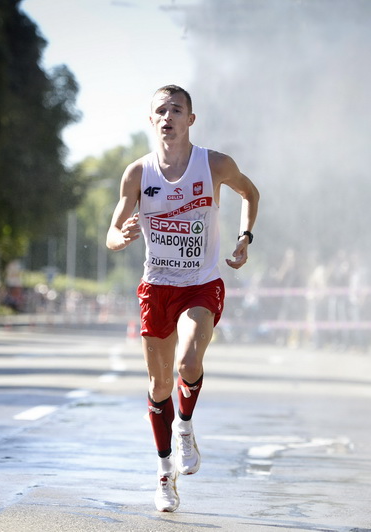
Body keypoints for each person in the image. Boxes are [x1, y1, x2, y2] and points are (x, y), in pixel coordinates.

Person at [106, 85, 260, 513]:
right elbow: (112, 229)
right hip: (156, 286)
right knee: (158, 386)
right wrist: (120, 238)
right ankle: (163, 474)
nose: (168, 116)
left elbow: (251, 193)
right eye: (160, 110)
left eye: (177, 109)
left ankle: (186, 429)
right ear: (151, 121)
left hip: (200, 282)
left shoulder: (214, 164)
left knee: (189, 363)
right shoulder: (138, 173)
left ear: (191, 119)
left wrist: (245, 237)